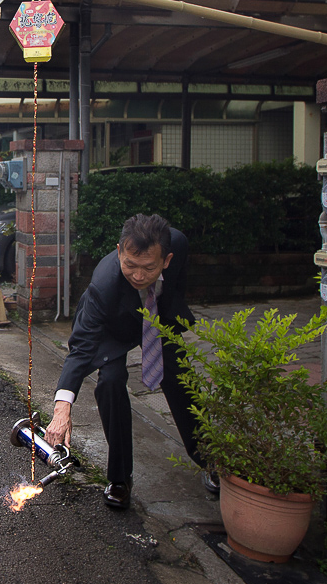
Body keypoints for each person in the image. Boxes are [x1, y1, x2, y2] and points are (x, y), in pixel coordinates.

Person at [44, 213, 213, 509]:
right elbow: (81, 348)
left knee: (182, 379)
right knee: (109, 383)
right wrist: (62, 409)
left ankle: (210, 460)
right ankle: (120, 478)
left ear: (167, 259)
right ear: (119, 251)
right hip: (114, 326)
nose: (137, 275)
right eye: (130, 265)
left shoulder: (180, 245)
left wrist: (168, 307)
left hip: (158, 317)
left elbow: (176, 285)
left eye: (148, 268)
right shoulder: (103, 286)